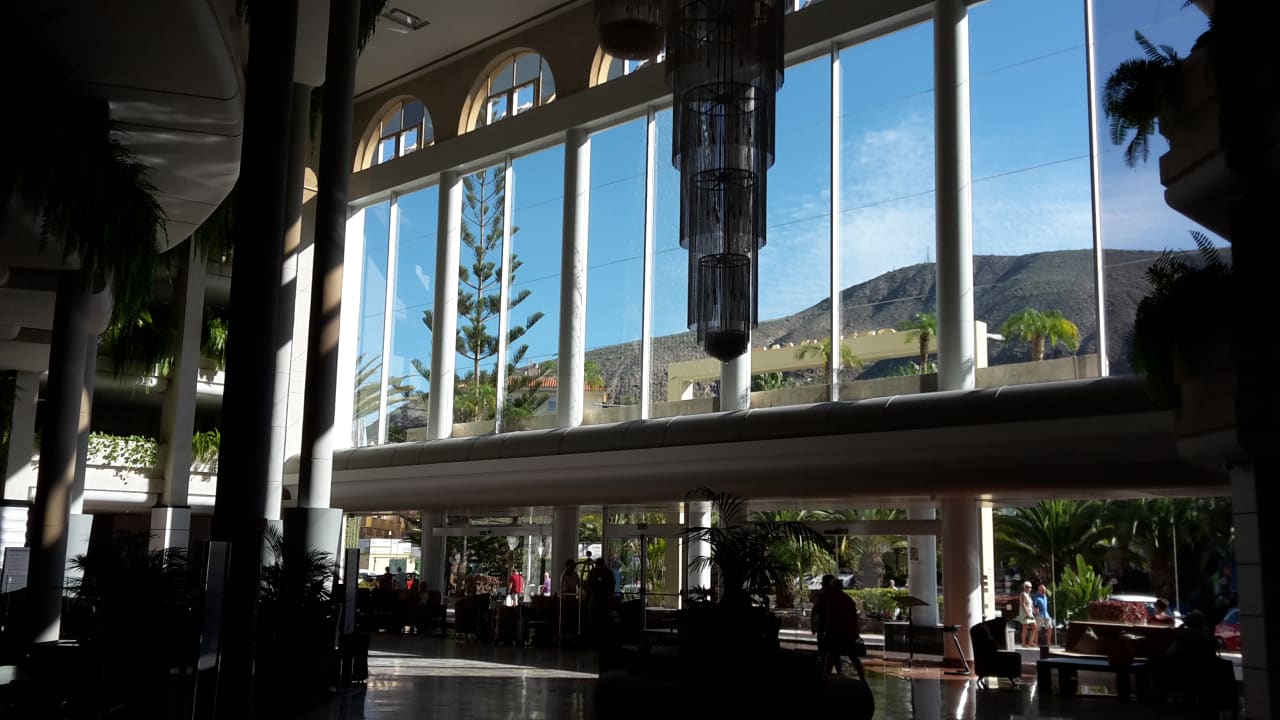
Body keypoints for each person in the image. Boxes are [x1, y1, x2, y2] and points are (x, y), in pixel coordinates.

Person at [815, 574, 866, 681]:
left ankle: (826, 680)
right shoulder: (848, 600)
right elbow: (853, 619)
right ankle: (862, 679)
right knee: (852, 657)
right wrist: (855, 633)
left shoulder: (832, 601)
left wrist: (826, 633)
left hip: (835, 634)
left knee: (831, 657)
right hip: (847, 634)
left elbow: (831, 619)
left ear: (833, 588)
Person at [1019, 581, 1036, 647]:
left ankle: (1030, 642)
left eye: (1030, 587)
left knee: (1034, 627)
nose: (1029, 588)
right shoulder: (1023, 594)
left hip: (1030, 613)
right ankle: (1023, 643)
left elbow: (1030, 605)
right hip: (1025, 613)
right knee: (1025, 628)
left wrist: (1034, 610)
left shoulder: (1028, 595)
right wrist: (1027, 614)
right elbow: (1023, 605)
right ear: (1024, 587)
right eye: (1027, 587)